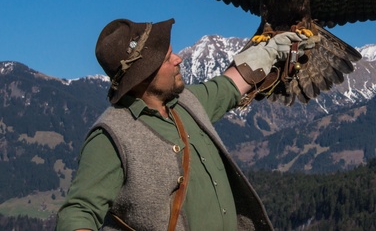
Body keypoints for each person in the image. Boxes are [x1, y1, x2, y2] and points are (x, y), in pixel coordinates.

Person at [56, 18, 314, 231]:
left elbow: (231, 84)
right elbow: (77, 214)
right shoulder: (112, 136)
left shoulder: (187, 102)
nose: (179, 59)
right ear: (145, 74)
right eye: (167, 58)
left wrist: (272, 50)